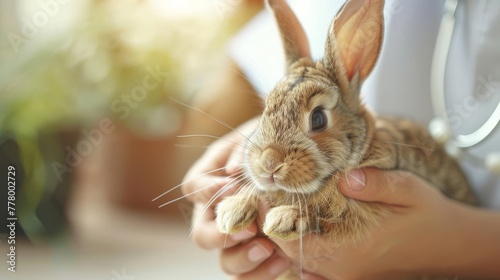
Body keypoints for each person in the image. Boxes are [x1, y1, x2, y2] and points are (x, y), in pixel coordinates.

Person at [182, 0, 500, 278]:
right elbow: (305, 81)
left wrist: (457, 245)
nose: (270, 160)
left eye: (317, 119)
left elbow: (355, 218)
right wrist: (241, 181)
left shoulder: (381, 160)